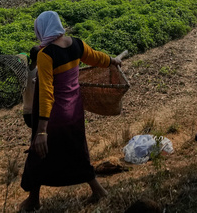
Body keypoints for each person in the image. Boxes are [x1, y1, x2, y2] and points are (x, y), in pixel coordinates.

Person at [20, 11, 123, 211]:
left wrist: (41, 130)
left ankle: (33, 200)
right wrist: (112, 60)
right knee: (76, 149)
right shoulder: (77, 44)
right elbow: (95, 58)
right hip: (75, 110)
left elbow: (47, 92)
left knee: (39, 154)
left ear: (43, 29)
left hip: (54, 114)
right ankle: (98, 190)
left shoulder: (45, 54)